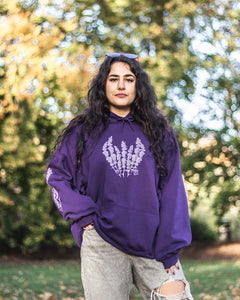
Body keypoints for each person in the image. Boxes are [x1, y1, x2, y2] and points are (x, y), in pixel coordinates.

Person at [46, 52, 193, 300]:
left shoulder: (159, 131)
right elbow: (57, 175)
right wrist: (83, 215)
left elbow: (172, 190)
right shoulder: (83, 131)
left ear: (139, 85)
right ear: (104, 85)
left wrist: (170, 248)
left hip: (152, 243)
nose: (121, 85)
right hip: (102, 242)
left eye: (129, 78)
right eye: (114, 79)